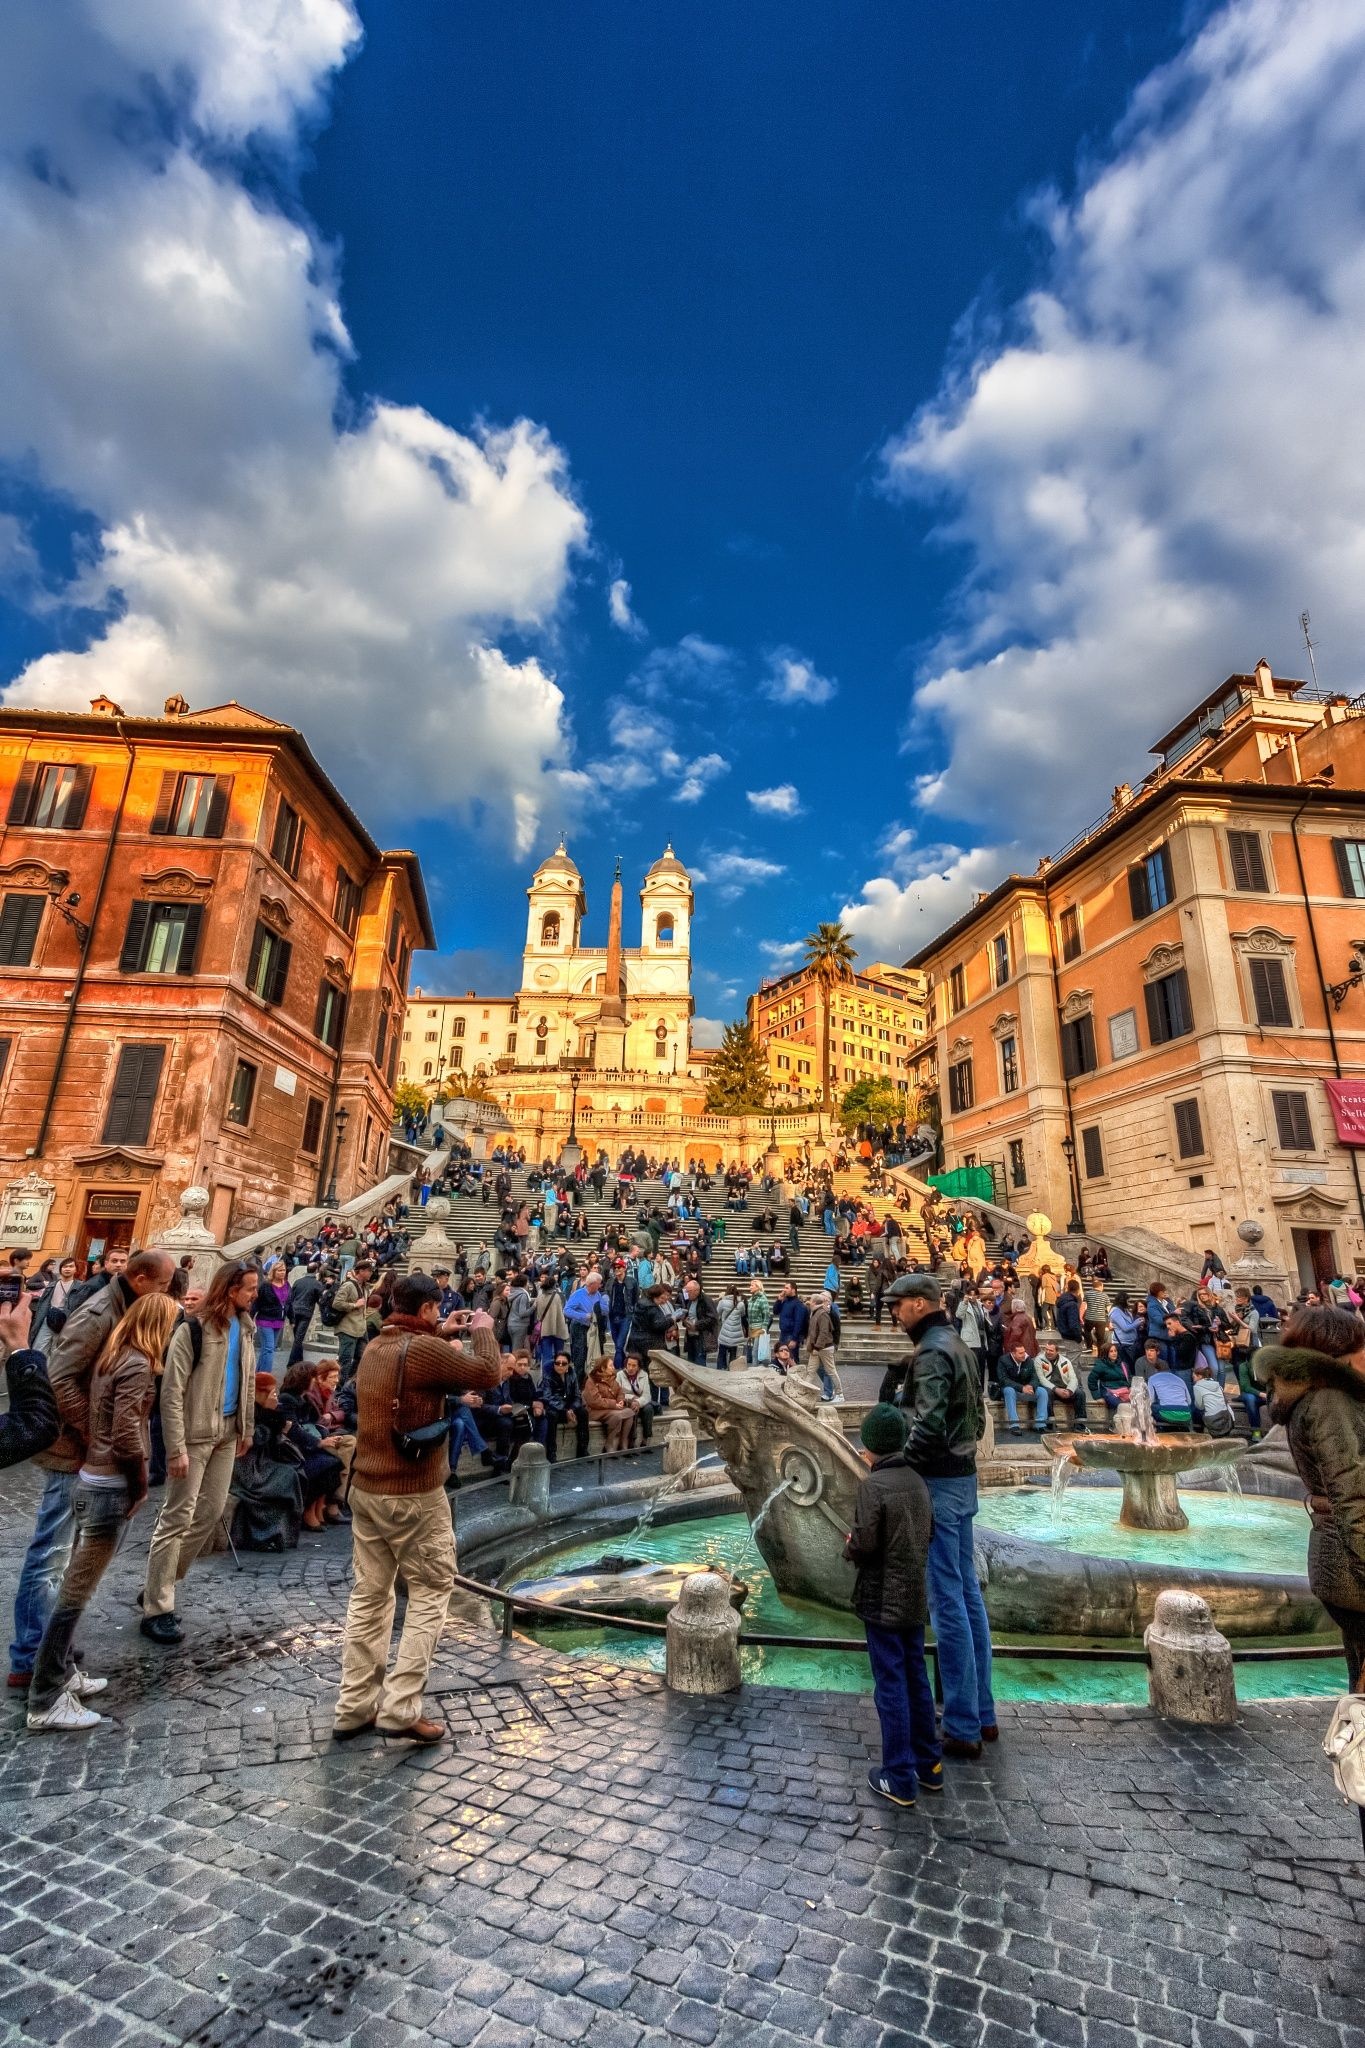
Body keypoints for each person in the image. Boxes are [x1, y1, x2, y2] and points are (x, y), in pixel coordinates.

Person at [332, 1273, 501, 1743]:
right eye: (436, 1310)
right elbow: (488, 1373)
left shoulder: (376, 1347)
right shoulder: (423, 1351)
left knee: (369, 1596)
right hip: (412, 1493)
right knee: (430, 1591)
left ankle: (353, 1706)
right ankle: (401, 1708)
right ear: (427, 1309)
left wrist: (441, 1332)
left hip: (366, 1489)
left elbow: (415, 1366)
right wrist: (483, 1327)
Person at [9, 1248, 174, 1690]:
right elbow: (59, 1377)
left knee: (66, 1557)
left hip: (85, 1448)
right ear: (139, 1279)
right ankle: (31, 1658)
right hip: (70, 1448)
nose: (165, 1295)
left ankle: (52, 1650)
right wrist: (94, 1433)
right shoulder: (100, 1310)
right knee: (52, 1554)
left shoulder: (123, 1305)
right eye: (161, 1286)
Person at [883, 1273, 995, 1758]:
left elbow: (926, 1424)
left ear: (920, 1304)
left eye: (898, 1305)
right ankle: (982, 1712)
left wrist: (898, 1463)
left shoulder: (931, 1350)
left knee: (946, 1599)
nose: (892, 1313)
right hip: (963, 1474)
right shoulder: (958, 1344)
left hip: (938, 1481)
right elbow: (979, 1416)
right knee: (968, 1596)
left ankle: (963, 1724)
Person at [141, 1260, 260, 1644]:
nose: (255, 1294)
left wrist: (247, 1426)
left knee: (208, 1515)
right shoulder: (192, 1329)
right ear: (230, 1290)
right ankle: (158, 1606)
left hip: (227, 1432)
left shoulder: (246, 1327)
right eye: (250, 1289)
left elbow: (249, 1381)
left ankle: (160, 1584)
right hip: (192, 1434)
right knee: (176, 1517)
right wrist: (174, 1448)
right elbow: (171, 1393)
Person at [1256, 1310, 1365, 1691]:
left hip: (1335, 1554)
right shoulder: (1331, 1400)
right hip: (1352, 1561)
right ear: (1340, 1352)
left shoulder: (1312, 1396)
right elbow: (1352, 1494)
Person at [844, 1403, 942, 1809]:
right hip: (914, 1596)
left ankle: (899, 1776)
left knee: (890, 1684)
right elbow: (930, 1532)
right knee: (916, 1676)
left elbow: (865, 1543)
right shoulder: (918, 1481)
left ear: (872, 1447)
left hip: (881, 1597)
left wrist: (850, 1546)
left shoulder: (874, 1486)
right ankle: (928, 1765)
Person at [332, 1259, 374, 1378]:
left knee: (362, 1358)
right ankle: (340, 1389)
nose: (371, 1274)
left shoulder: (365, 1287)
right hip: (348, 1329)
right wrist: (354, 1305)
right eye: (369, 1271)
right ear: (361, 1271)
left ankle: (349, 1384)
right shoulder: (348, 1285)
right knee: (345, 1361)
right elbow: (336, 1303)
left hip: (360, 1329)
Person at [583, 1356, 634, 1451]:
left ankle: (623, 1441)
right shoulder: (591, 1380)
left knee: (630, 1412)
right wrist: (614, 1404)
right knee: (617, 1415)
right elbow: (595, 1401)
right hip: (594, 1411)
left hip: (610, 1408)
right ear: (603, 1368)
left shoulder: (612, 1379)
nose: (613, 1367)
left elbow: (620, 1392)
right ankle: (609, 1443)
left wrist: (621, 1400)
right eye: (611, 1366)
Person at [1035, 1343, 1088, 1429]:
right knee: (1046, 1392)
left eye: (1051, 1350)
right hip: (1050, 1388)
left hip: (1064, 1388)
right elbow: (1041, 1379)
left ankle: (1080, 1424)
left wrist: (1069, 1390)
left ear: (1057, 1351)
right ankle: (1051, 1422)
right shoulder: (1039, 1360)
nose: (1048, 1352)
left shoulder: (1065, 1361)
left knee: (1080, 1393)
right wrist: (1056, 1389)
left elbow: (1073, 1378)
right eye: (1046, 1350)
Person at [998, 1345, 1047, 1434]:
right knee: (1008, 1390)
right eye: (1020, 1353)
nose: (1024, 1354)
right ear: (1013, 1353)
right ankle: (1014, 1425)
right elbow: (1003, 1380)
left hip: (1026, 1389)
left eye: (1024, 1352)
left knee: (1042, 1391)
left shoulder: (1028, 1360)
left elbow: (1035, 1377)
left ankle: (1040, 1424)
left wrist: (1031, 1386)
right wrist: (1021, 1388)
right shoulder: (1003, 1360)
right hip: (1013, 1389)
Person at [1087, 1343, 1130, 1425]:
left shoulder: (1123, 1364)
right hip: (1108, 1391)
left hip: (1124, 1391)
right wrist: (1097, 1397)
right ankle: (1119, 1425)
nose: (1114, 1353)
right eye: (1111, 1351)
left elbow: (1129, 1377)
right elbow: (1091, 1380)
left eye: (1115, 1351)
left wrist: (1130, 1387)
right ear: (1106, 1353)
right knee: (1121, 1405)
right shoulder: (1100, 1365)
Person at [617, 1353, 654, 1445]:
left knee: (649, 1409)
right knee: (632, 1409)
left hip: (640, 1403)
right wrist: (632, 1398)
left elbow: (647, 1395)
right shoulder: (620, 1375)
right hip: (626, 1403)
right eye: (629, 1365)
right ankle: (632, 1440)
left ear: (638, 1367)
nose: (630, 1368)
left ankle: (646, 1439)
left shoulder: (644, 1375)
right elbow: (618, 1393)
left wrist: (638, 1402)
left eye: (634, 1365)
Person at [1191, 1363, 1234, 1437]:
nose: (1193, 1379)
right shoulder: (1218, 1385)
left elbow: (1200, 1406)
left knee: (1196, 1411)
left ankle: (1198, 1433)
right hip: (1225, 1417)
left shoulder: (1197, 1387)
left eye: (1194, 1377)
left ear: (1200, 1376)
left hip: (1212, 1420)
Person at [1148, 1363, 1194, 1430]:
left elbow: (1151, 1400)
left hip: (1166, 1415)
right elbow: (1189, 1402)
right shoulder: (1180, 1380)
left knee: (1151, 1406)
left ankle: (1155, 1429)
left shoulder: (1152, 1378)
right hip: (1186, 1415)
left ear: (1155, 1370)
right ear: (1169, 1370)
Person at [715, 1287, 746, 1371]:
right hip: (736, 1333)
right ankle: (732, 1370)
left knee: (721, 1353)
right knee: (733, 1354)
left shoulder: (722, 1302)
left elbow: (717, 1313)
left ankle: (721, 1369)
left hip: (725, 1331)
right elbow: (743, 1314)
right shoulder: (741, 1304)